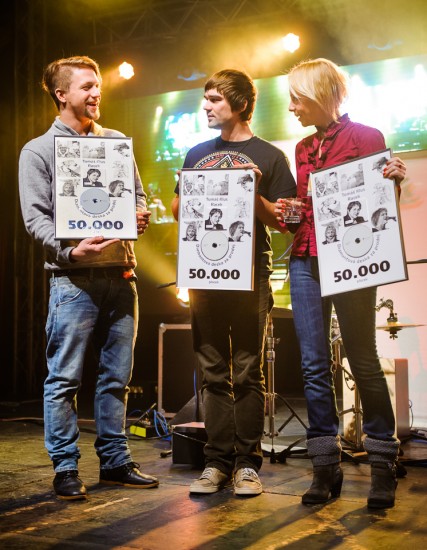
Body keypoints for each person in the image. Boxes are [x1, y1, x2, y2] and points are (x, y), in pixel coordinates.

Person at [18, 56, 158, 501]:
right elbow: (35, 218)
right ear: (61, 94)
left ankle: (115, 461)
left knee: (116, 378)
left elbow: (138, 196)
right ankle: (65, 467)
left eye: (98, 85)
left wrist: (138, 215)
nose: (96, 93)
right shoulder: (38, 150)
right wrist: (69, 251)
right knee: (64, 380)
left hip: (121, 275)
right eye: (86, 87)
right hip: (72, 280)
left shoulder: (115, 142)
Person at [275, 58, 406, 509]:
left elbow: (377, 207)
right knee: (313, 365)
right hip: (305, 259)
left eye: (297, 99)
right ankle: (324, 467)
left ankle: (383, 465)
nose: (292, 107)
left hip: (350, 259)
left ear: (321, 95)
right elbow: (305, 212)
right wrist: (291, 213)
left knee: (362, 357)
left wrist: (393, 183)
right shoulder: (301, 147)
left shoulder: (367, 137)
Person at [171, 69, 296, 497]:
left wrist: (252, 191)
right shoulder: (197, 153)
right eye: (205, 99)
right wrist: (192, 193)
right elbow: (178, 210)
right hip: (204, 273)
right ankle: (217, 462)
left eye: (214, 100)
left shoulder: (269, 155)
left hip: (250, 274)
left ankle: (247, 464)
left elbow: (283, 221)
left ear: (240, 104)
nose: (205, 106)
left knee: (246, 369)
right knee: (211, 370)